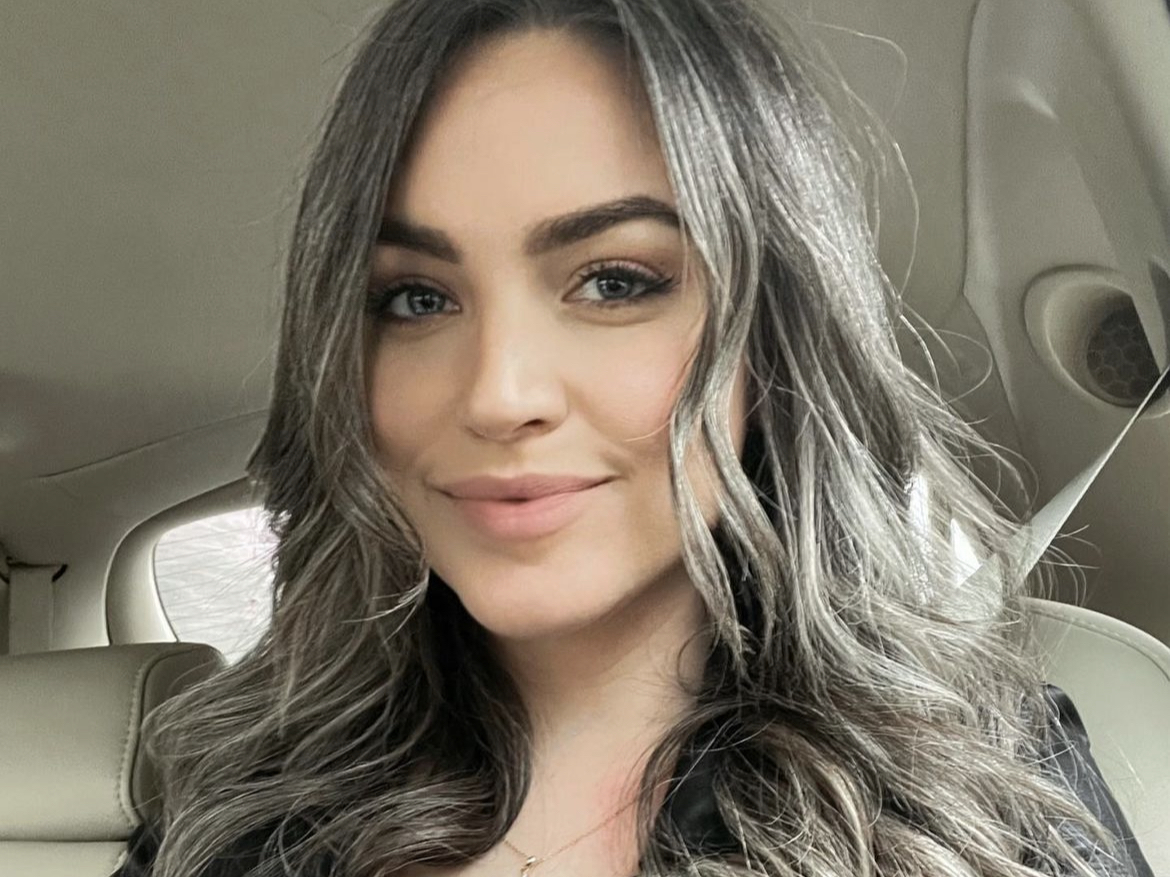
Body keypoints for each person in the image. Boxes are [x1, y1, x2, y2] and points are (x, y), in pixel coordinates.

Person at [114, 1, 1155, 876]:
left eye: (615, 282)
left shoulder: (981, 789)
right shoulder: (233, 819)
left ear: (772, 337)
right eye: (417, 298)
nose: (500, 394)